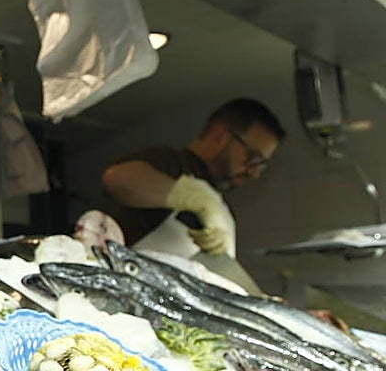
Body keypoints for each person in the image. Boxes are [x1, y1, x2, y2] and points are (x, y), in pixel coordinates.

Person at [101, 98, 285, 257]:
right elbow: (116, 178)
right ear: (221, 137)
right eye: (252, 157)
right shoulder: (170, 163)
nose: (254, 173)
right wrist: (194, 197)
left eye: (261, 164)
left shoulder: (221, 206)